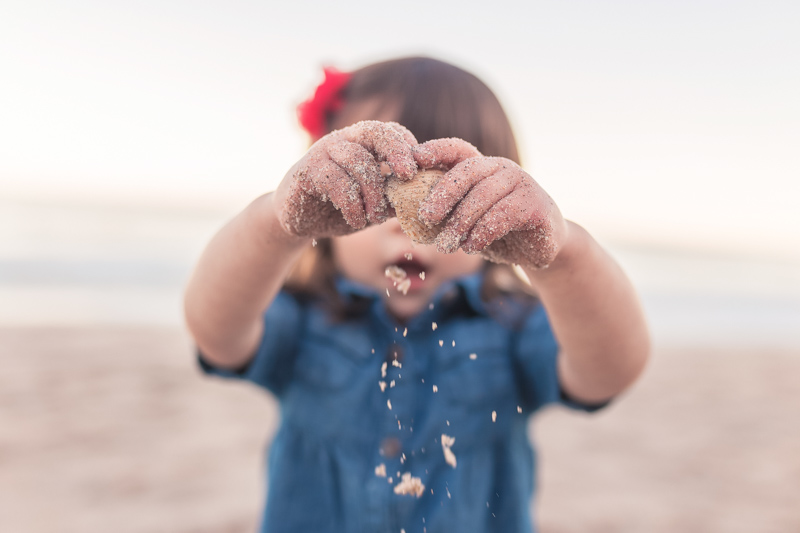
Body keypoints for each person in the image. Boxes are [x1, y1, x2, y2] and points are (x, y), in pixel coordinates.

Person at [184, 56, 650, 533]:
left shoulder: (509, 325)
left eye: (454, 192)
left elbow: (610, 372)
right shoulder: (306, 316)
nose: (410, 228)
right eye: (378, 190)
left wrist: (563, 254)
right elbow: (215, 332)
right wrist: (276, 222)